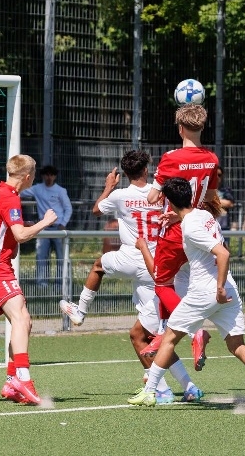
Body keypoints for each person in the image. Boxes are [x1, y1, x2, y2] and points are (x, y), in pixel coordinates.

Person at [58, 152, 204, 403]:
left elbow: (96, 210)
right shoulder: (160, 194)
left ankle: (80, 311)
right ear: (146, 170)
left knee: (99, 268)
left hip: (130, 256)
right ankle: (185, 386)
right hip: (157, 266)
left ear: (125, 174)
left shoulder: (119, 195)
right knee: (150, 336)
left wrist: (108, 187)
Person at [127, 177, 245, 411]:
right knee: (236, 345)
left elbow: (223, 254)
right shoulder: (204, 215)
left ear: (169, 201)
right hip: (229, 289)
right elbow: (194, 222)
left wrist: (218, 288)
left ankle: (149, 392)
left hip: (207, 291)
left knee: (168, 339)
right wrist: (177, 217)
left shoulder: (190, 226)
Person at [139, 103, 219, 365]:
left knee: (161, 284)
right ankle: (164, 332)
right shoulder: (212, 158)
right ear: (202, 127)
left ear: (180, 128)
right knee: (180, 284)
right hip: (200, 229)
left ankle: (195, 331)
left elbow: (152, 198)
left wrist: (163, 190)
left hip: (174, 232)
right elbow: (210, 198)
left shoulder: (171, 158)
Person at [0, 154, 58, 405]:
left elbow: (4, 225)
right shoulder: (10, 197)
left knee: (23, 321)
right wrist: (44, 222)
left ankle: (12, 381)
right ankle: (23, 379)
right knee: (21, 318)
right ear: (28, 176)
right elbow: (20, 235)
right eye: (34, 175)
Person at [20, 164, 72, 286]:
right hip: (43, 227)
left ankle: (61, 283)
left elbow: (68, 208)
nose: (49, 177)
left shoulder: (60, 190)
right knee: (41, 256)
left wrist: (63, 223)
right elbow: (20, 192)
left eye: (52, 175)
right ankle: (42, 283)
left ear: (55, 176)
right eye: (47, 175)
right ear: (43, 176)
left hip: (58, 227)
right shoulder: (37, 188)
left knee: (61, 256)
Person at [215, 167, 236, 232]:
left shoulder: (226, 190)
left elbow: (230, 203)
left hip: (223, 226)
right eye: (215, 174)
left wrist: (211, 200)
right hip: (208, 225)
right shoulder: (205, 189)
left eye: (219, 175)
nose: (217, 177)